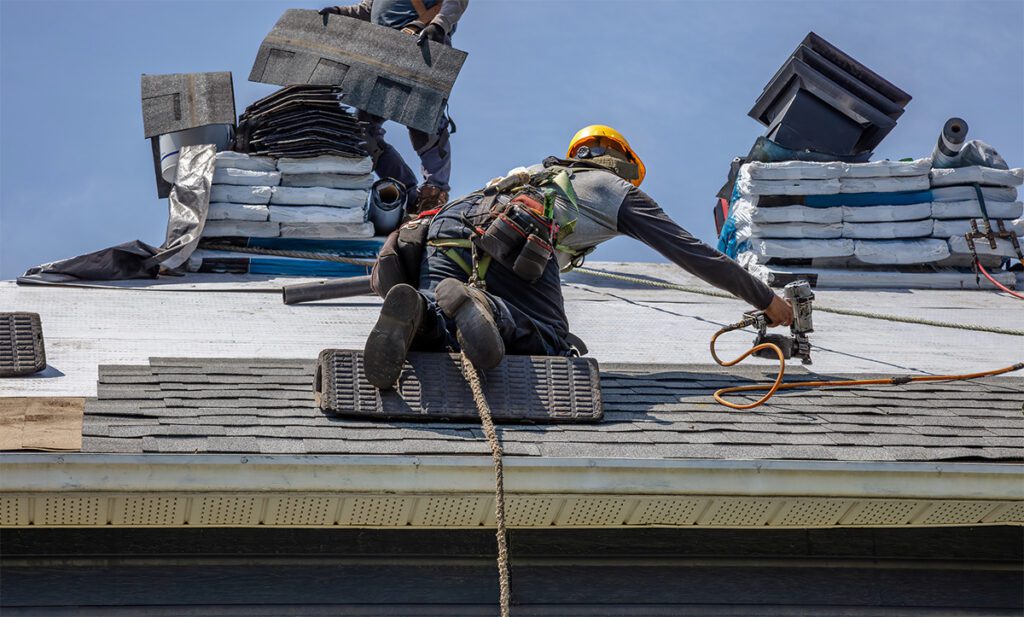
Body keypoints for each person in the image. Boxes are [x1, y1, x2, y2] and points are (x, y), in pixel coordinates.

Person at [363, 125, 793, 389]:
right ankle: (485, 306)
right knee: (550, 337)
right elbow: (694, 253)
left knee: (437, 320)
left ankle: (419, 312)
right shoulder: (614, 190)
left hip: (443, 230)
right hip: (514, 234)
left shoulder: (534, 175)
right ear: (622, 163)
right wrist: (767, 300)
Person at [319, 0, 468, 213]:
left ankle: (434, 192)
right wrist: (339, 12)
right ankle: (406, 193)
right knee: (362, 131)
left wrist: (439, 25)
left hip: (421, 46)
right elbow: (369, 9)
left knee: (425, 124)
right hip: (382, 53)